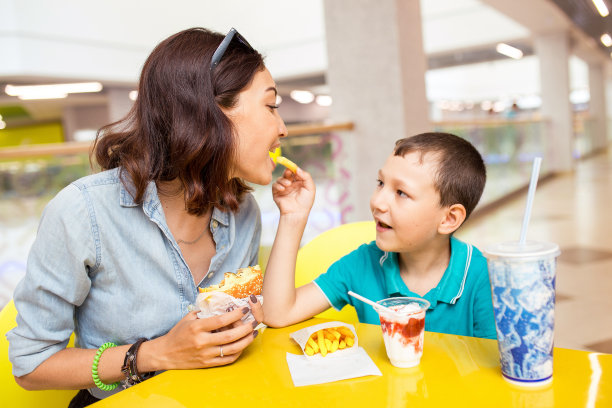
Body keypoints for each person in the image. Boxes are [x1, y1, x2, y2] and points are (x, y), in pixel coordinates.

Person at [7, 27, 314, 406]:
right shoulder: (83, 213)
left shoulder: (242, 211)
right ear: (212, 114)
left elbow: (249, 319)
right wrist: (155, 354)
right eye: (270, 106)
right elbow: (31, 365)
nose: (283, 127)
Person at [263, 132, 497, 340]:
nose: (377, 202)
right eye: (380, 183)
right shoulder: (362, 263)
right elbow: (277, 313)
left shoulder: (485, 278)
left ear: (448, 219)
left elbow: (496, 373)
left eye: (401, 193)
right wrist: (293, 217)